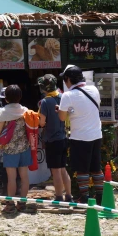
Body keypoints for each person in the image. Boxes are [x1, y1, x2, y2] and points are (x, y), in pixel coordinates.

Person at [57, 65, 103, 204]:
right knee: (96, 168)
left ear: (68, 79)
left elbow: (62, 118)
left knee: (82, 170)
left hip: (80, 136)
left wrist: (61, 110)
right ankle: (101, 196)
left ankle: (85, 196)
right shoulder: (94, 89)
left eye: (65, 79)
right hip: (96, 134)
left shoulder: (68, 95)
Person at [0, 85, 32, 213]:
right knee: (24, 177)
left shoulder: (3, 112)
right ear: (20, 97)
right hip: (24, 147)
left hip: (9, 149)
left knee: (11, 178)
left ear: (6, 98)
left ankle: (10, 204)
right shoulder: (25, 110)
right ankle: (22, 203)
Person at [37, 75, 72, 203]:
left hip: (52, 140)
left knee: (55, 171)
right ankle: (69, 195)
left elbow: (42, 122)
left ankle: (58, 197)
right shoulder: (62, 97)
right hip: (63, 137)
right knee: (63, 168)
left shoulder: (45, 102)